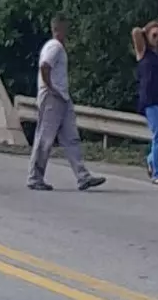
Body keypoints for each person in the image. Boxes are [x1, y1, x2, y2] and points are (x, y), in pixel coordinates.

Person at [27, 14, 106, 191]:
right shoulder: (54, 47)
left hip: (62, 98)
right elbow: (44, 66)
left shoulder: (56, 47)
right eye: (65, 28)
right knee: (45, 138)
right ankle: (35, 177)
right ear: (59, 29)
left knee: (71, 138)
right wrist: (50, 87)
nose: (67, 32)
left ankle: (82, 176)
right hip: (53, 98)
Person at [131, 21, 158, 184]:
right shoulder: (143, 52)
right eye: (154, 35)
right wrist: (145, 30)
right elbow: (135, 32)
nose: (157, 39)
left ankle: (152, 159)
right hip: (149, 100)